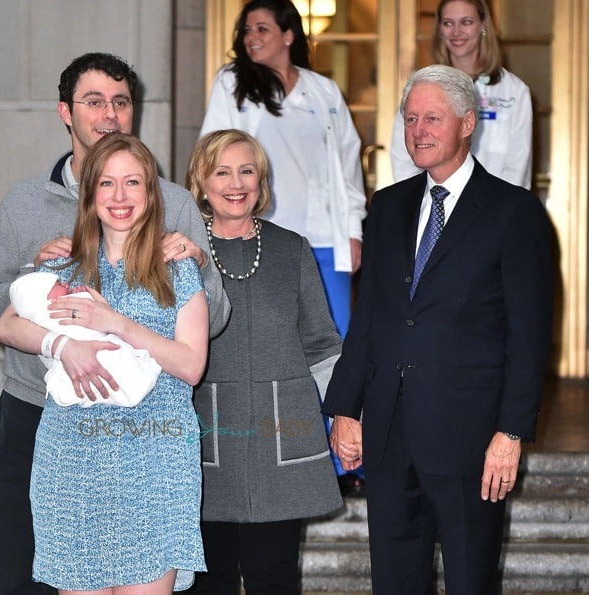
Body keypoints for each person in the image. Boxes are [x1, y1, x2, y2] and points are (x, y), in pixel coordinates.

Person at [0, 52, 229, 595]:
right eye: (94, 101)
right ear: (66, 111)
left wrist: (198, 268)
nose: (108, 113)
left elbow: (204, 332)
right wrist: (58, 334)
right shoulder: (25, 207)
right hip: (53, 425)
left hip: (153, 443)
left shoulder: (178, 211)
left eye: (120, 101)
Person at [322, 65, 553, 594]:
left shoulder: (514, 212)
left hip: (471, 439)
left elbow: (528, 335)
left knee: (471, 582)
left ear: (468, 123)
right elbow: (370, 320)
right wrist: (344, 407)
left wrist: (511, 432)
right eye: (409, 119)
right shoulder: (387, 206)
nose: (417, 131)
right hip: (389, 434)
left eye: (432, 118)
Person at [199, 0, 367, 491]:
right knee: (280, 352)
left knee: (335, 351)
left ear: (289, 34)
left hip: (322, 240)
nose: (252, 37)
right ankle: (290, 450)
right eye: (246, 30)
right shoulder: (232, 83)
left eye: (262, 28)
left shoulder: (324, 91)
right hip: (259, 242)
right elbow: (212, 152)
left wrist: (353, 229)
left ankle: (345, 461)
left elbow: (347, 164)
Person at [184, 129, 343, 594]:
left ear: (261, 180)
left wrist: (346, 416)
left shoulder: (291, 248)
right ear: (202, 180)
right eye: (222, 171)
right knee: (206, 581)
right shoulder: (178, 251)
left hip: (281, 440)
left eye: (247, 171)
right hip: (204, 439)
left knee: (273, 576)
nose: (236, 183)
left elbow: (323, 344)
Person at [390, 0, 533, 189]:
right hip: (438, 206)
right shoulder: (421, 87)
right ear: (440, 29)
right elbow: (404, 159)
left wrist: (495, 209)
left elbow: (517, 167)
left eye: (466, 22)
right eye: (448, 23)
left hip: (495, 209)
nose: (456, 32)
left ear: (483, 25)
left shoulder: (514, 91)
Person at [10, 271, 161, 407]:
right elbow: (89, 309)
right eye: (58, 284)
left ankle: (129, 383)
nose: (66, 284)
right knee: (113, 362)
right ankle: (131, 381)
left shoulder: (35, 321)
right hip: (89, 357)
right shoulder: (46, 314)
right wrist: (83, 296)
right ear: (43, 298)